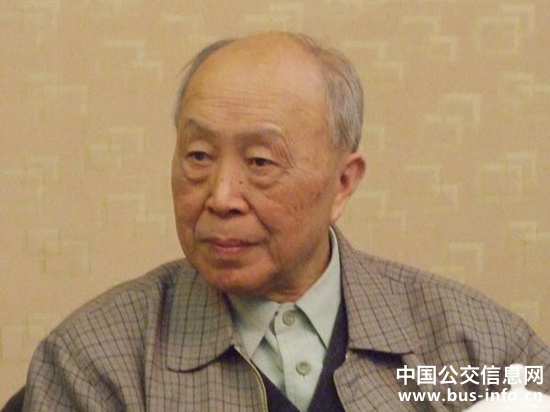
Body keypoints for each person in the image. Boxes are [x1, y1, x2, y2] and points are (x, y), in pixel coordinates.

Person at [19, 32, 550, 411]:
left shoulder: (472, 348)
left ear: (342, 184)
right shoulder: (97, 363)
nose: (221, 198)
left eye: (260, 162)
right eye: (199, 156)